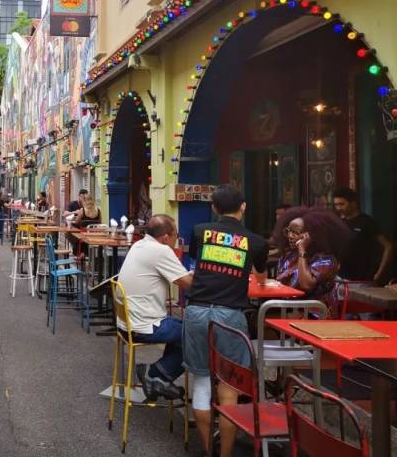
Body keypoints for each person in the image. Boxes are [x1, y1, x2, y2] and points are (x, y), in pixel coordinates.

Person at [183, 184, 268, 457]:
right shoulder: (256, 242)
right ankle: (227, 454)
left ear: (214, 208)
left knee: (201, 383)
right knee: (229, 390)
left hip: (197, 312)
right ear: (243, 206)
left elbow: (197, 264)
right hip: (231, 316)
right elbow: (261, 278)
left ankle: (208, 450)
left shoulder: (200, 231)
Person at [118, 214, 192, 401]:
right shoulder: (161, 251)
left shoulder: (139, 245)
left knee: (182, 328)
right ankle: (155, 375)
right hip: (144, 326)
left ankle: (159, 380)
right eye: (176, 235)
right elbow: (187, 284)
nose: (177, 239)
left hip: (126, 323)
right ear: (166, 237)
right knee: (196, 334)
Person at [273, 207, 347, 313]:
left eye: (296, 232)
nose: (290, 236)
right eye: (288, 231)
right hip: (288, 310)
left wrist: (302, 250)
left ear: (313, 235)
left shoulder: (327, 261)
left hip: (315, 315)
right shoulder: (288, 256)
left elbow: (306, 285)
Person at [333, 187, 393, 283]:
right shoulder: (338, 222)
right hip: (341, 278)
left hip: (363, 279)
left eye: (342, 204)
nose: (338, 208)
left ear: (353, 203)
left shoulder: (366, 222)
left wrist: (379, 274)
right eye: (336, 205)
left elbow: (388, 246)